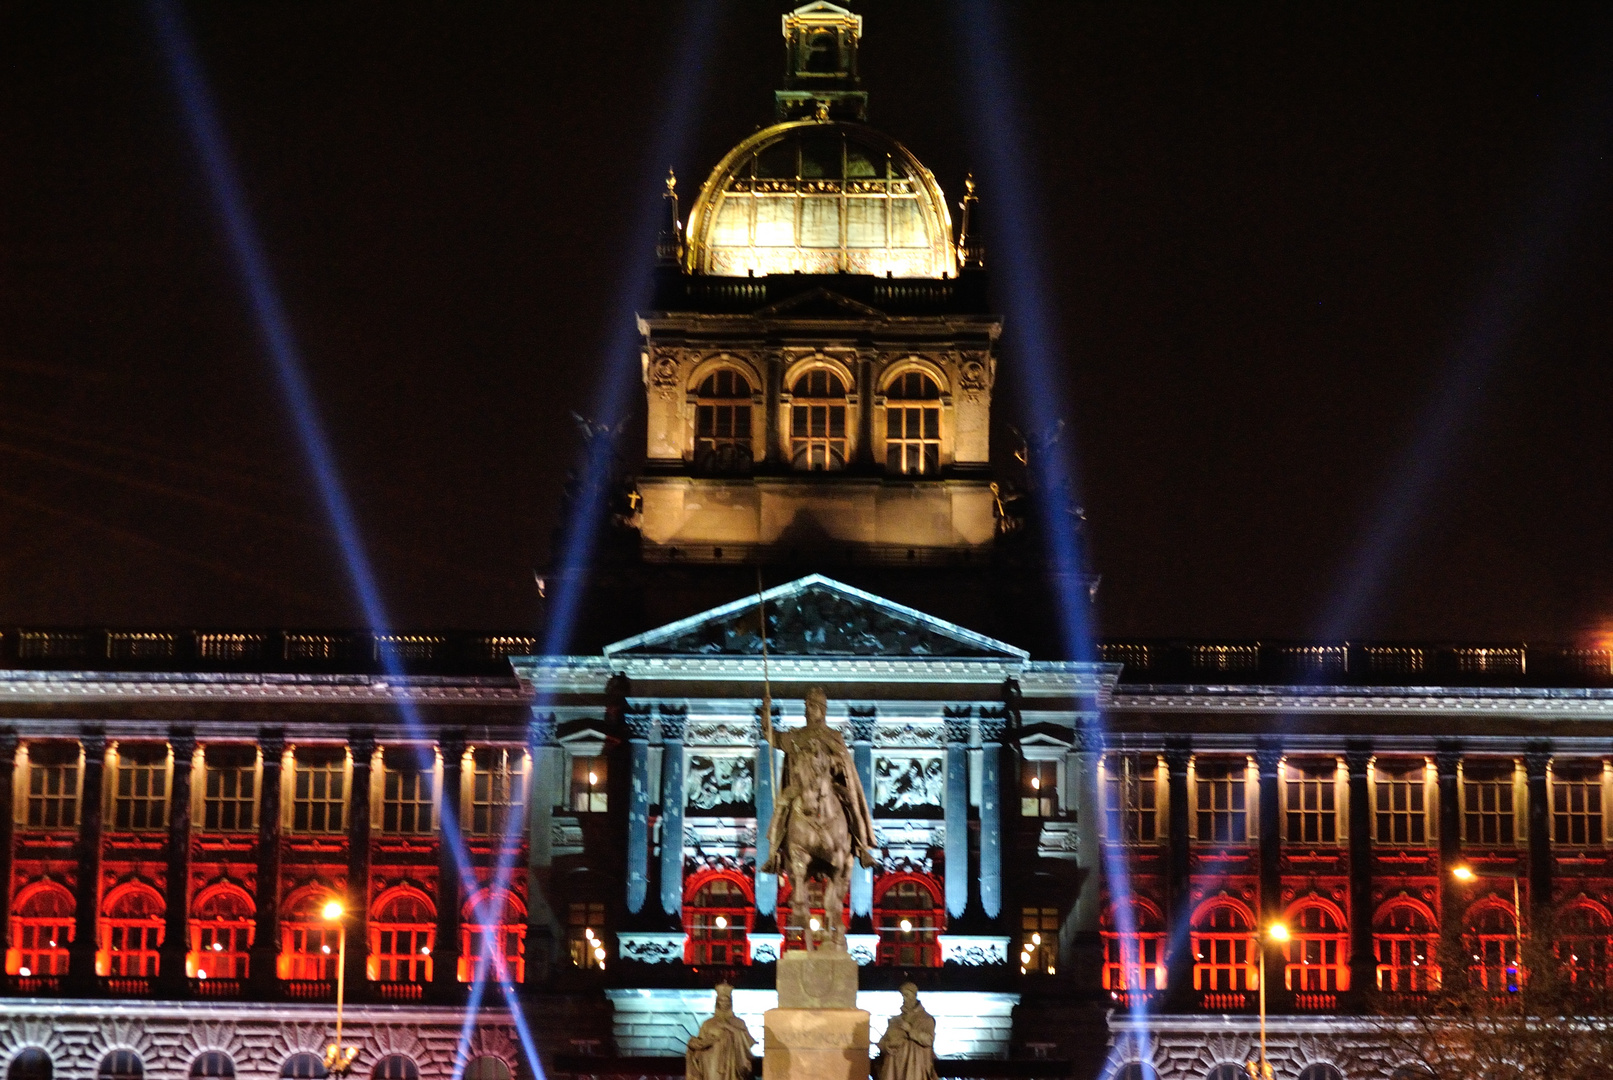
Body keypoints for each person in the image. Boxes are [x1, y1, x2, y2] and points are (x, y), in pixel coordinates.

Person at [760, 686, 878, 875]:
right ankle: (773, 853)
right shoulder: (797, 735)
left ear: (821, 710)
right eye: (806, 706)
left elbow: (843, 762)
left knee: (852, 802)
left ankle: (862, 848)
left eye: (811, 706)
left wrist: (832, 761)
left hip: (829, 785)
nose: (807, 710)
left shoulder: (833, 736)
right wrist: (765, 713)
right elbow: (772, 736)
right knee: (781, 804)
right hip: (800, 786)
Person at [686, 982, 755, 1080]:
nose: (724, 1003)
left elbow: (747, 1042)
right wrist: (695, 1044)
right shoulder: (707, 1023)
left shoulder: (739, 1023)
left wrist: (728, 1027)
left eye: (727, 1001)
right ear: (717, 1002)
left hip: (732, 1062)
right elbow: (700, 1044)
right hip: (711, 1061)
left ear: (731, 1002)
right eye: (721, 1001)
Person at [877, 982, 938, 1080]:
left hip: (914, 1068)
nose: (904, 998)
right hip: (894, 1068)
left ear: (914, 995)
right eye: (902, 995)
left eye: (907, 995)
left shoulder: (926, 1019)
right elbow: (883, 1041)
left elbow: (928, 1040)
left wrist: (910, 1030)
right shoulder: (896, 1020)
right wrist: (886, 1046)